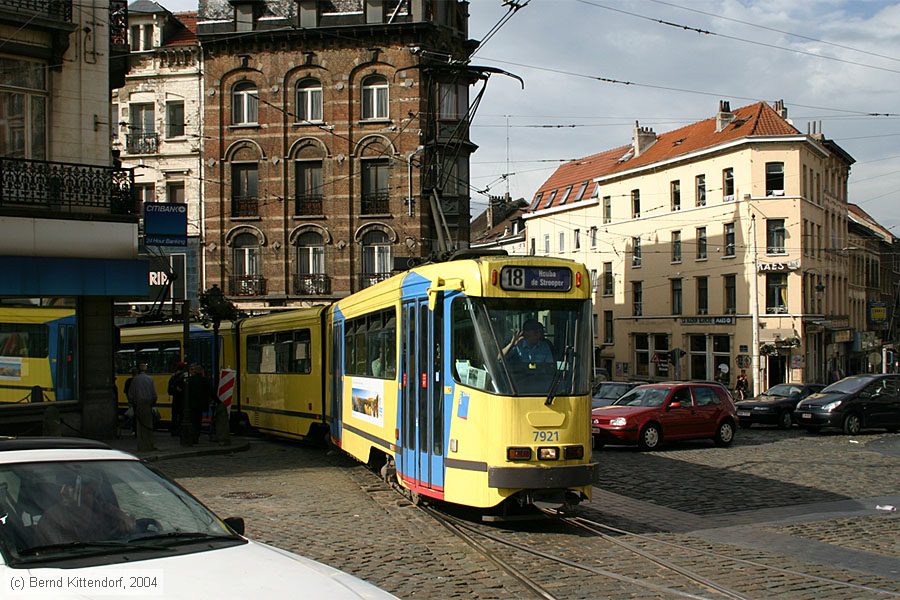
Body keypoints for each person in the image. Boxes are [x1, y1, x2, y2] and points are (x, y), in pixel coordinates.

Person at [34, 479, 135, 546]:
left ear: (91, 489)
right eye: (62, 486)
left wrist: (126, 521)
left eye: (71, 486)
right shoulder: (52, 518)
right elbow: (62, 551)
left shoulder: (105, 510)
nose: (62, 491)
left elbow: (129, 527)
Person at [127, 363, 157, 452]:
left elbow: (131, 394)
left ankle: (142, 446)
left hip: (139, 404)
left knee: (140, 426)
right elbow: (154, 394)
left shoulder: (135, 380)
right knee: (149, 426)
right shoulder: (150, 379)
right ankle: (149, 445)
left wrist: (131, 403)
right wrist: (153, 403)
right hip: (148, 404)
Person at [185, 364, 212, 446]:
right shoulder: (205, 380)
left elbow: (187, 393)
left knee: (193, 420)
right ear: (201, 371)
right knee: (198, 421)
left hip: (191, 404)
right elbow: (210, 391)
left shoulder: (190, 380)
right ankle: (196, 436)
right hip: (200, 404)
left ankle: (192, 436)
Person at [167, 361, 188, 436]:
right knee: (181, 415)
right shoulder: (184, 377)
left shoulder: (173, 377)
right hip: (182, 399)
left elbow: (169, 391)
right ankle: (180, 430)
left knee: (175, 415)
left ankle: (174, 430)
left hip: (175, 399)